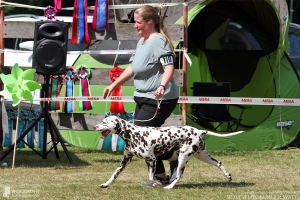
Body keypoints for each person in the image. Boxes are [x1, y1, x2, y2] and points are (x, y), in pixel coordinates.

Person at [102, 5, 179, 187]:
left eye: (138, 22)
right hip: (142, 97)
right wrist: (114, 85)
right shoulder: (142, 41)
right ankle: (162, 175)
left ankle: (173, 161)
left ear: (150, 23)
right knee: (145, 138)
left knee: (143, 138)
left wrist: (162, 85)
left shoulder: (159, 41)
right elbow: (133, 68)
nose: (135, 26)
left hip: (160, 98)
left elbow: (169, 68)